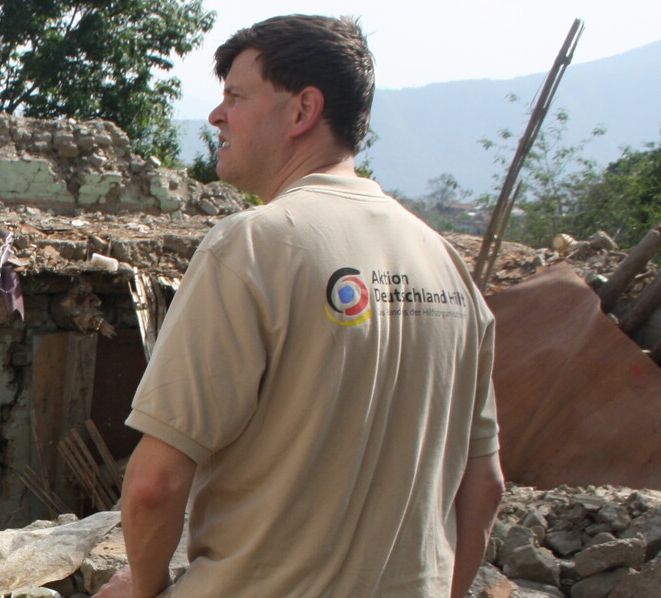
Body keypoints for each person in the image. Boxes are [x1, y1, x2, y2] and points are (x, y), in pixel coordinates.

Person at [92, 15, 505, 597]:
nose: (217, 115)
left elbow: (154, 485)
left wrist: (143, 588)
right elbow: (484, 488)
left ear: (302, 110)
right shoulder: (448, 265)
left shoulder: (252, 245)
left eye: (235, 96)